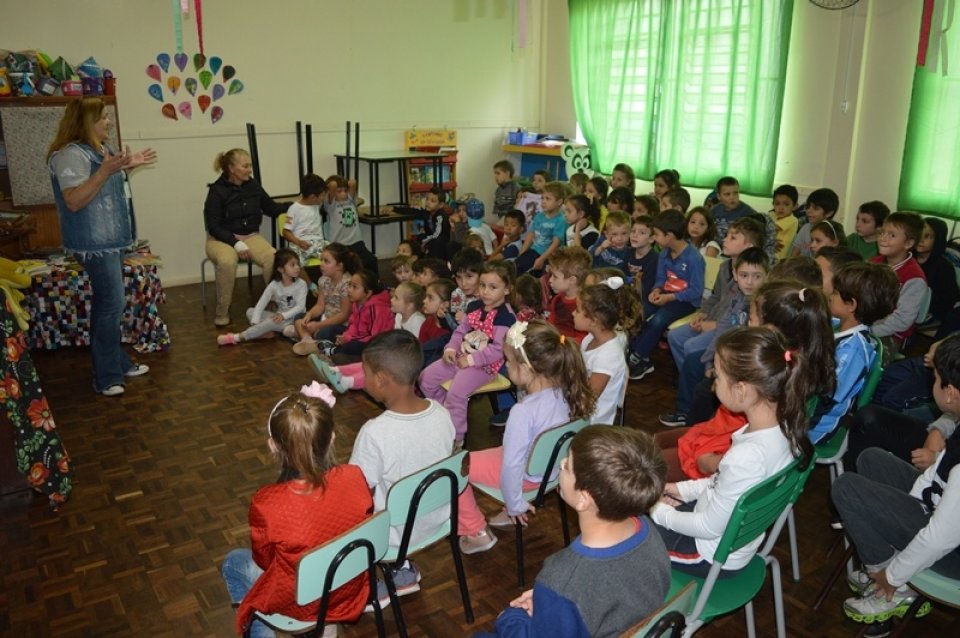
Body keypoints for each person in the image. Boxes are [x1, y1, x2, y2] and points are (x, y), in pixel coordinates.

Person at [651, 326, 816, 576]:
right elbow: (723, 485)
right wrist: (679, 490)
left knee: (626, 536)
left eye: (717, 377)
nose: (713, 384)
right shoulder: (784, 428)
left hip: (708, 554)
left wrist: (658, 510)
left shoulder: (747, 456)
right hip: (721, 532)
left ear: (741, 390)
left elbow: (707, 527)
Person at [479, 427, 670, 638]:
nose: (561, 465)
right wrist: (550, 604)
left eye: (568, 466)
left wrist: (511, 617)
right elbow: (609, 590)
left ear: (583, 499)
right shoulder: (646, 529)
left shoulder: (563, 578)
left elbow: (576, 589)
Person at [221, 384, 372, 638]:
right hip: (349, 586)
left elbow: (265, 561)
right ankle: (327, 627)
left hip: (301, 604)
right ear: (332, 437)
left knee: (232, 562)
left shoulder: (267, 502)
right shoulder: (354, 476)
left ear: (273, 446)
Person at [833, 334, 960, 628]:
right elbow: (935, 475)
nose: (933, 383)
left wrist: (893, 575)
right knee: (871, 458)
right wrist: (908, 506)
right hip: (939, 512)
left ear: (950, 392)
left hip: (952, 554)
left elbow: (941, 537)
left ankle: (890, 588)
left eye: (936, 378)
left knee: (846, 488)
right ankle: (892, 565)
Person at [47, 96, 156, 396]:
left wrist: (125, 169)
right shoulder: (70, 155)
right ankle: (106, 376)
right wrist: (106, 171)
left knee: (111, 304)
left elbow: (105, 191)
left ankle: (117, 363)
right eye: (104, 117)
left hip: (110, 242)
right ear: (87, 121)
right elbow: (74, 200)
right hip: (94, 244)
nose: (109, 122)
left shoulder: (99, 151)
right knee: (110, 305)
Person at [458, 320, 597, 553]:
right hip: (552, 471)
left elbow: (512, 464)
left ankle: (476, 531)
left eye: (509, 361)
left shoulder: (523, 412)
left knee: (456, 467)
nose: (505, 365)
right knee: (490, 454)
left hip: (527, 477)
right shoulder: (568, 391)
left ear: (527, 368)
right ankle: (509, 504)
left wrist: (515, 505)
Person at [339, 331, 456, 607]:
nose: (363, 378)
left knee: (341, 512)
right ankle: (401, 571)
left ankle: (365, 588)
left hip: (394, 536)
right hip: (437, 520)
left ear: (381, 380)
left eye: (365, 373)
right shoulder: (441, 412)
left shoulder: (374, 432)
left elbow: (355, 493)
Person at [660, 247, 769, 428]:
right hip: (727, 351)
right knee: (694, 362)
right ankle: (684, 413)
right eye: (744, 275)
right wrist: (710, 360)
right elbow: (723, 330)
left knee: (703, 388)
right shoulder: (737, 295)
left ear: (767, 275)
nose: (750, 282)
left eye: (757, 276)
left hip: (744, 359)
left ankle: (700, 426)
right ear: (734, 274)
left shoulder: (762, 302)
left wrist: (718, 365)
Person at [420, 261, 517, 446]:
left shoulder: (506, 316)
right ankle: (442, 419)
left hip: (485, 366)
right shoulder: (474, 307)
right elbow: (460, 332)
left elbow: (497, 350)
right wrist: (450, 349)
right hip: (461, 357)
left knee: (456, 393)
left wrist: (471, 360)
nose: (486, 291)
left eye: (493, 287)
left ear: (506, 290)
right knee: (426, 379)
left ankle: (456, 438)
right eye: (482, 285)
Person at [807, 262, 898, 445]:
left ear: (851, 305)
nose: (830, 296)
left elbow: (826, 395)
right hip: (806, 409)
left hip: (814, 426)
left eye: (834, 293)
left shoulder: (854, 351)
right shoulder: (838, 324)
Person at [204, 148, 284, 327]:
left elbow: (271, 208)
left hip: (250, 237)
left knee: (273, 257)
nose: (249, 170)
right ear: (232, 168)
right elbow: (214, 226)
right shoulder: (217, 191)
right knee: (226, 262)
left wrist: (298, 204)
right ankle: (222, 312)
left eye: (250, 166)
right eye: (245, 166)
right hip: (220, 240)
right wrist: (236, 243)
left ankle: (273, 305)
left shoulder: (253, 185)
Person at [628, 210, 706, 381]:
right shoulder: (664, 253)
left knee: (659, 320)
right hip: (666, 294)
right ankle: (639, 352)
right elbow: (661, 278)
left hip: (685, 301)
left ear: (669, 236)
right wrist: (656, 290)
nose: (655, 238)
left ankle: (637, 355)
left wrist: (669, 298)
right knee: (640, 311)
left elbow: (696, 291)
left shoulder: (693, 258)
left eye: (656, 234)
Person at [315, 283, 425, 393]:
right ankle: (334, 370)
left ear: (410, 305)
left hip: (406, 364)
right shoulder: (399, 316)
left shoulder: (417, 321)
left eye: (396, 298)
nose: (391, 300)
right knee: (367, 363)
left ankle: (346, 382)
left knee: (377, 370)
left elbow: (415, 351)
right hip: (395, 357)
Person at [575, 277, 641, 424]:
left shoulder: (608, 356)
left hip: (590, 423)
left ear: (594, 320)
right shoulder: (589, 339)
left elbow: (588, 400)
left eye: (577, 310)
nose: (573, 313)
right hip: (578, 407)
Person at [217, 249, 309, 346]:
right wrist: (255, 322)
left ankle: (237, 337)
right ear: (280, 269)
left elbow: (300, 308)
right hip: (280, 317)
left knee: (277, 325)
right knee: (251, 312)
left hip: (294, 320)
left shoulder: (301, 284)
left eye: (298, 264)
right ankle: (264, 331)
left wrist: (283, 316)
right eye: (292, 265)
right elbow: (261, 303)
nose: (297, 268)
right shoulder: (274, 284)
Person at [870, 211, 928, 351]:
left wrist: (869, 331)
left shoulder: (914, 278)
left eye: (892, 235)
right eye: (882, 232)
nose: (883, 238)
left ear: (908, 243)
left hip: (891, 335)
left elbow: (902, 320)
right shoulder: (872, 263)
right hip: (865, 324)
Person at [289, 243, 359, 355]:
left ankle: (310, 339)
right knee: (299, 317)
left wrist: (319, 325)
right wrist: (310, 314)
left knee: (325, 333)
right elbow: (320, 305)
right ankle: (308, 340)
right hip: (325, 318)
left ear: (339, 266)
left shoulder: (347, 284)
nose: (321, 264)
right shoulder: (323, 280)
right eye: (321, 260)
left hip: (341, 324)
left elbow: (344, 315)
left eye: (326, 261)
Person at [315, 270, 393, 364]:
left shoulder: (376, 308)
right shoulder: (357, 303)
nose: (349, 290)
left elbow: (372, 335)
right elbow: (353, 324)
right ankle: (333, 351)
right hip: (358, 336)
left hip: (375, 344)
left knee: (351, 346)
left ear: (367, 293)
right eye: (349, 285)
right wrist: (345, 335)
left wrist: (348, 339)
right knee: (328, 331)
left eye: (354, 287)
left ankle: (332, 352)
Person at [322, 174, 378, 274]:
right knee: (349, 267)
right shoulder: (331, 206)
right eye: (339, 191)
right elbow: (333, 185)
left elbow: (353, 182)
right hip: (340, 245)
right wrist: (335, 185)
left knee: (371, 261)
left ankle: (374, 286)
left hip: (356, 242)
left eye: (345, 191)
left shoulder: (350, 201)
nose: (343, 194)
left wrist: (344, 184)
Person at [516, 182, 568, 275]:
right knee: (516, 268)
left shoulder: (561, 220)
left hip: (549, 256)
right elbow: (531, 235)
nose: (543, 201)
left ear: (559, 202)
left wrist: (542, 259)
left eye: (548, 199)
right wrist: (521, 253)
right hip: (534, 251)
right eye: (542, 198)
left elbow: (556, 243)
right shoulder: (539, 216)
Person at [916, 217, 960, 324]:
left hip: (928, 311)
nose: (921, 240)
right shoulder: (906, 258)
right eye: (919, 234)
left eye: (927, 236)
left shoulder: (944, 267)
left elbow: (947, 300)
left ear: (938, 239)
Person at [282, 173, 327, 276]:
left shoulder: (316, 205)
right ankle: (310, 285)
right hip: (300, 244)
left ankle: (330, 284)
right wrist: (298, 242)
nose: (323, 198)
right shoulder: (294, 209)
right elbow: (285, 232)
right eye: (322, 195)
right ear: (312, 197)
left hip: (318, 242)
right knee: (294, 263)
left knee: (336, 255)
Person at [547, 246, 592, 343]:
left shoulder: (584, 306)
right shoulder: (558, 299)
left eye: (555, 276)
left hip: (571, 351)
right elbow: (551, 324)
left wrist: (560, 341)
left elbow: (583, 340)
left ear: (572, 280)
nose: (550, 280)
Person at [791, 188, 840, 258]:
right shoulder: (805, 228)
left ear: (829, 213)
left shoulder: (833, 232)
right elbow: (795, 253)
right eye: (808, 207)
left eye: (816, 208)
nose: (809, 211)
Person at [709, 176, 756, 244]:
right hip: (715, 247)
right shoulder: (714, 210)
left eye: (735, 193)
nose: (732, 197)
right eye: (727, 194)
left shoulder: (748, 213)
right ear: (719, 196)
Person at [627, 216, 658, 312]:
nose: (635, 235)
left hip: (644, 299)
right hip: (626, 294)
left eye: (642, 233)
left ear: (652, 239)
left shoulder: (654, 259)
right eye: (633, 231)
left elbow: (646, 290)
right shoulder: (628, 251)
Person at [416, 187, 452, 260]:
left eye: (432, 201)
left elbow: (437, 234)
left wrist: (425, 242)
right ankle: (421, 261)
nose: (428, 202)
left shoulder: (441, 215)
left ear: (441, 205)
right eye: (427, 199)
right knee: (420, 237)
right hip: (433, 239)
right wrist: (394, 209)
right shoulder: (428, 213)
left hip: (441, 243)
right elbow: (413, 211)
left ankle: (434, 263)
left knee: (436, 241)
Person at [449, 247, 485, 321]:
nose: (463, 283)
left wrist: (468, 321)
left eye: (469, 276)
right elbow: (454, 323)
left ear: (481, 274)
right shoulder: (457, 293)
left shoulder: (487, 297)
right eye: (458, 277)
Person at [770, 184, 799, 260]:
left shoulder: (792, 220)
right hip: (766, 251)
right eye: (777, 203)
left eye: (786, 204)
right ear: (773, 204)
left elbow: (770, 229)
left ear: (795, 206)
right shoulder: (772, 215)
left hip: (777, 258)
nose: (781, 208)